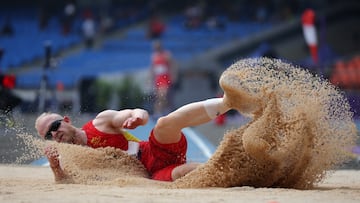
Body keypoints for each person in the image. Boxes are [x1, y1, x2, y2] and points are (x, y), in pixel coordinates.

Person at [35, 96, 232, 182]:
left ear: (66, 120)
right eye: (47, 136)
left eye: (54, 126)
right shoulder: (68, 159)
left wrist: (137, 118)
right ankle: (234, 174)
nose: (54, 134)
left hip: (152, 151)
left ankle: (225, 103)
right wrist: (55, 168)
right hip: (153, 175)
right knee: (184, 172)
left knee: (164, 124)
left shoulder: (101, 122)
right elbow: (66, 182)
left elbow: (135, 112)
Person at [150, 40, 176, 117]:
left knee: (163, 95)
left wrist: (173, 75)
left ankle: (162, 111)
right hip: (158, 78)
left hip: (165, 77)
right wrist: (152, 79)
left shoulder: (166, 55)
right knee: (159, 96)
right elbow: (153, 68)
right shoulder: (154, 56)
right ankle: (158, 111)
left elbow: (172, 65)